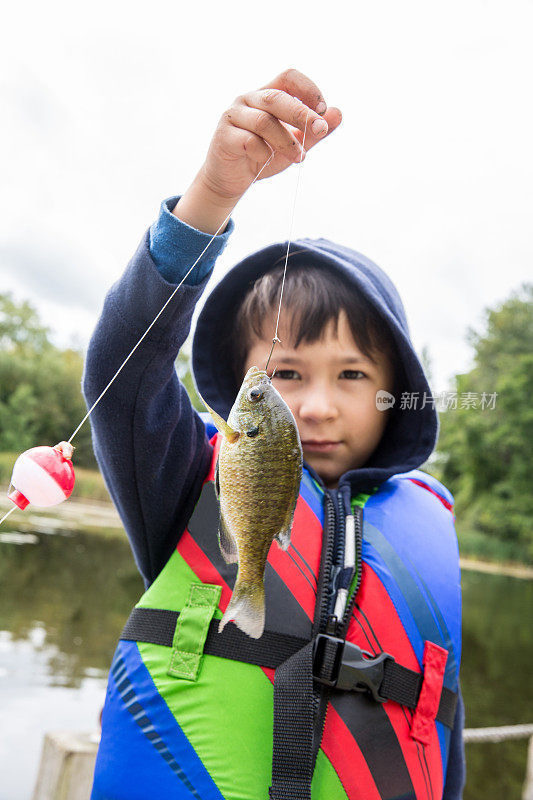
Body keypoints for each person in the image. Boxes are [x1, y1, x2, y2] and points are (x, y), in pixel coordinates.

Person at [82, 68, 465, 800]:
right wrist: (212, 197)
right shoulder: (187, 470)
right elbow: (119, 367)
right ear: (241, 381)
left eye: (350, 376)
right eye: (284, 374)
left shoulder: (429, 518)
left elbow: (437, 722)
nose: (315, 406)